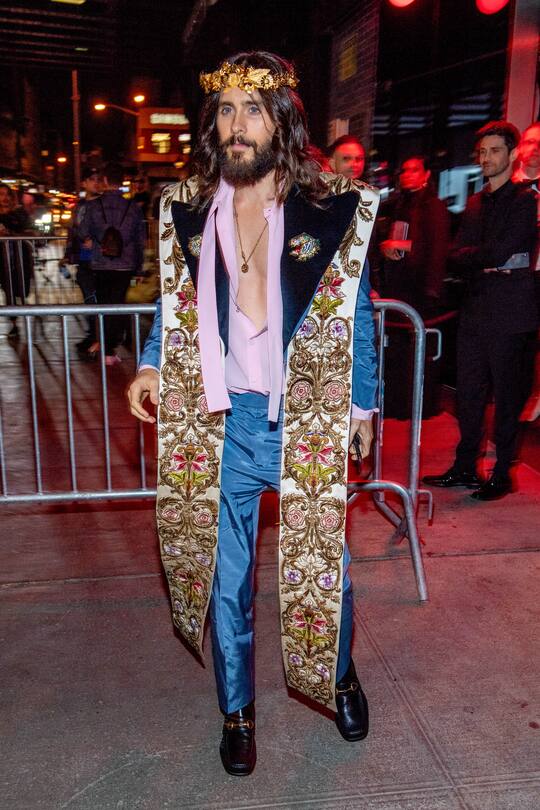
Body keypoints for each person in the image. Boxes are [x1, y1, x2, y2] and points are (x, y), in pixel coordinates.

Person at [127, 51, 379, 776]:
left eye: (254, 111)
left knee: (323, 571)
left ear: (283, 123)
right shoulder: (187, 210)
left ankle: (339, 674)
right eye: (226, 111)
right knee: (225, 578)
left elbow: (359, 315)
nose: (237, 126)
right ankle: (236, 712)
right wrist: (151, 364)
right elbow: (172, 306)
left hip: (304, 417)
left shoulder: (331, 210)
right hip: (219, 424)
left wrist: (362, 405)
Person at [423, 121, 538, 500]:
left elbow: (498, 252)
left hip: (512, 312)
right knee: (469, 395)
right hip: (475, 309)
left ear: (512, 154)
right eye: (483, 152)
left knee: (507, 398)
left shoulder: (524, 200)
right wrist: (484, 259)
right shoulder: (475, 202)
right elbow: (457, 254)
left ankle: (502, 474)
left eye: (495, 151)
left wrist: (481, 257)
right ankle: (465, 466)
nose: (486, 158)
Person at [379, 156, 450, 418]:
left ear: (426, 174)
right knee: (398, 353)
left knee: (419, 353)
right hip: (398, 289)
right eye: (404, 170)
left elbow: (437, 248)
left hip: (422, 292)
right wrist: (387, 248)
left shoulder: (434, 206)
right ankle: (398, 406)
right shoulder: (397, 204)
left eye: (414, 170)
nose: (407, 174)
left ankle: (420, 407)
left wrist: (402, 247)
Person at [79, 162, 145, 365]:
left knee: (104, 304)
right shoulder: (133, 208)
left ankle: (105, 348)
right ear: (122, 181)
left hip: (101, 263)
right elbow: (140, 239)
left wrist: (93, 240)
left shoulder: (93, 206)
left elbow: (83, 231)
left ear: (105, 180)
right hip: (125, 264)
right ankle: (110, 348)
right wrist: (139, 268)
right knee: (118, 303)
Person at [513, 123, 540, 422]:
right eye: (530, 141)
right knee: (517, 349)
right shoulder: (506, 186)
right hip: (515, 278)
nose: (535, 149)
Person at [62, 166, 102, 355]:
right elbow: (73, 230)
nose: (96, 183)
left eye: (98, 179)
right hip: (84, 260)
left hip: (100, 260)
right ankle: (93, 334)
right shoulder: (79, 206)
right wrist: (68, 254)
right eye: (92, 179)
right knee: (88, 298)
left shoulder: (104, 204)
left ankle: (99, 337)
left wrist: (96, 241)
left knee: (98, 298)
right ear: (84, 183)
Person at [0, 183, 33, 337]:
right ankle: (13, 322)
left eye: (7, 194)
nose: (5, 198)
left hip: (19, 258)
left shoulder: (19, 214)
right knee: (8, 290)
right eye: (1, 194)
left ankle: (15, 313)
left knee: (20, 291)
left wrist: (11, 234)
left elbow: (30, 232)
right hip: (2, 260)